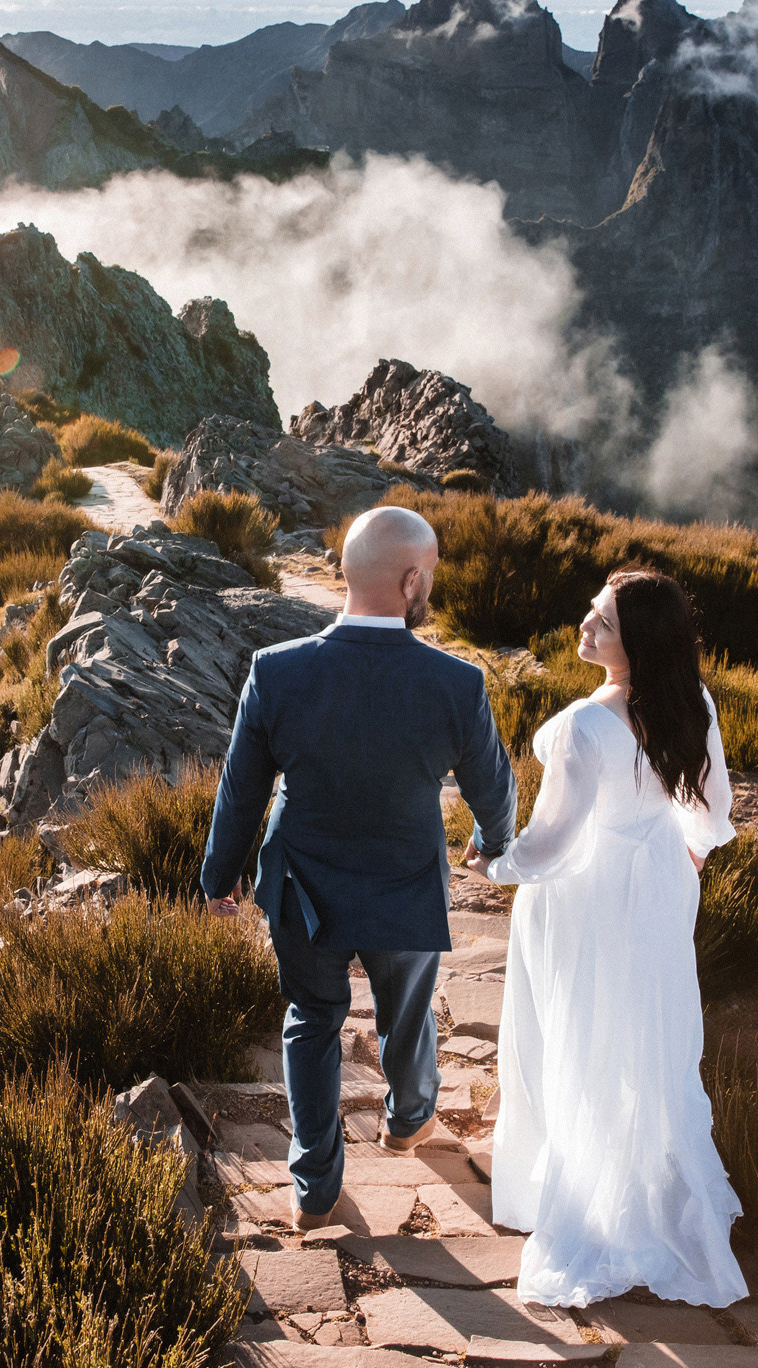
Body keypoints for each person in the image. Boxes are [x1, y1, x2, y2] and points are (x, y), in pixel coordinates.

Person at [200, 506, 518, 1229]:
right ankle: (408, 1120)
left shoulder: (276, 671)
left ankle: (313, 1184)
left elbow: (241, 790)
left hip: (302, 884)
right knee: (407, 1013)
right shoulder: (456, 683)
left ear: (345, 570)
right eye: (427, 574)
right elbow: (493, 788)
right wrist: (493, 841)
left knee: (311, 1018)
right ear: (412, 580)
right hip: (406, 882)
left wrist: (219, 878)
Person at [462, 567, 747, 1309]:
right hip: (656, 888)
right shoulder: (693, 702)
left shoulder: (588, 726)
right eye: (592, 611)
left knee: (575, 1031)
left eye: (604, 623)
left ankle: (580, 1196)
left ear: (639, 644)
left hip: (585, 897)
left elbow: (554, 842)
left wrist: (496, 864)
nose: (585, 626)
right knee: (643, 1033)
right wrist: (680, 852)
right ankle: (644, 1185)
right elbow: (713, 810)